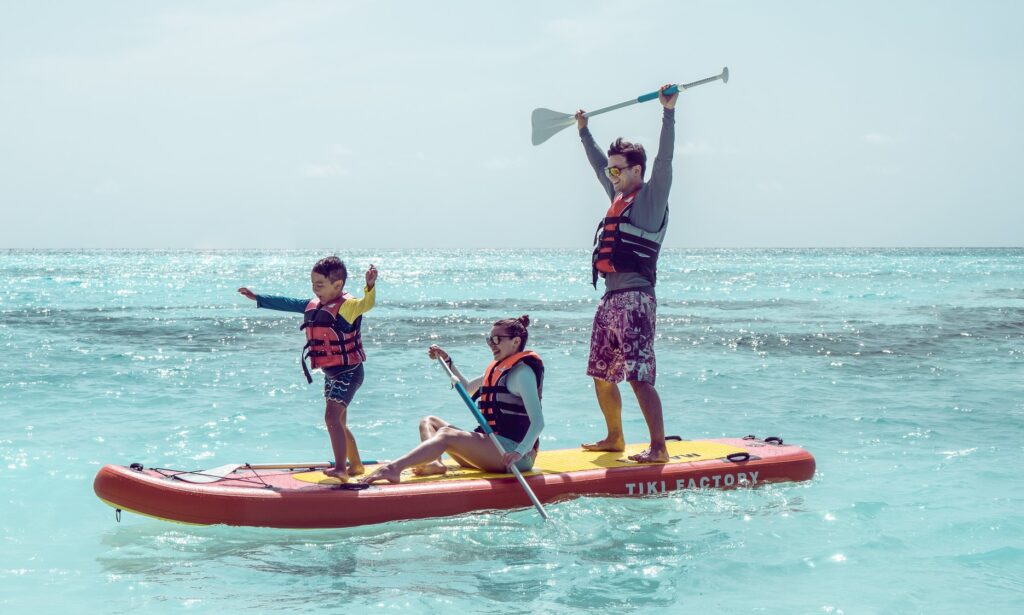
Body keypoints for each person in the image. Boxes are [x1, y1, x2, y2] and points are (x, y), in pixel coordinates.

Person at [574, 84, 679, 463]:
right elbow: (596, 162)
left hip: (636, 298)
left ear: (637, 170)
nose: (612, 174)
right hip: (610, 299)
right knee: (601, 372)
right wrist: (584, 131)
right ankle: (614, 437)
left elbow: (665, 161)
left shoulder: (651, 198)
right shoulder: (617, 195)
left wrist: (668, 113)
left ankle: (659, 447)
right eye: (610, 169)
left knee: (637, 374)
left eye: (618, 169)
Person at [238, 256, 377, 482]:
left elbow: (366, 304)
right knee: (339, 421)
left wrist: (370, 286)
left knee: (331, 419)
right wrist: (258, 298)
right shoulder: (315, 305)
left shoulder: (348, 307)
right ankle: (357, 465)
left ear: (338, 285)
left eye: (320, 285)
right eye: (313, 284)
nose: (315, 289)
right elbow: (287, 302)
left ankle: (341, 468)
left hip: (350, 372)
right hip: (331, 372)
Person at [362, 315, 544, 485]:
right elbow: (466, 388)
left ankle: (393, 469)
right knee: (430, 422)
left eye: (497, 339)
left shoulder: (522, 374)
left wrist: (519, 452)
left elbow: (538, 422)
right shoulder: (498, 370)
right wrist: (448, 361)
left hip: (514, 455)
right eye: (489, 339)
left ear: (516, 341)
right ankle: (434, 463)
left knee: (447, 435)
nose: (492, 344)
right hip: (493, 447)